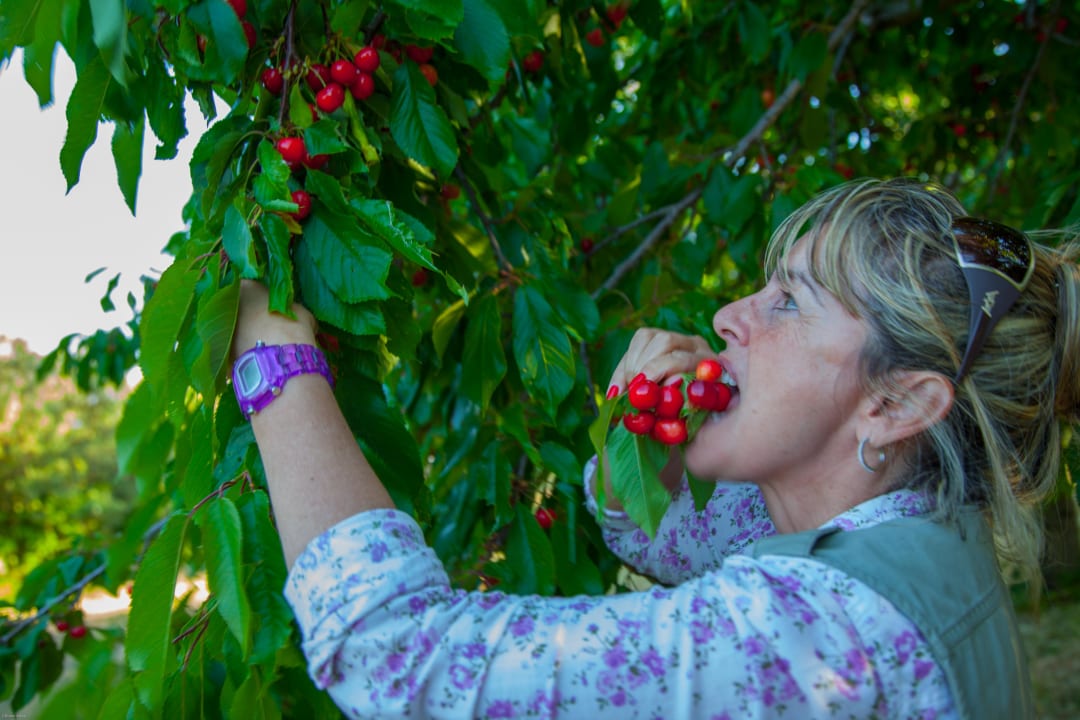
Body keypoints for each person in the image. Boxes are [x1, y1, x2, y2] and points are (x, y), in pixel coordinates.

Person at [230, 177, 1079, 719]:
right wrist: (650, 454)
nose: (728, 318)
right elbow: (657, 538)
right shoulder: (912, 530)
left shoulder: (831, 632)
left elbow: (395, 660)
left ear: (896, 404)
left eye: (789, 304)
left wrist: (274, 370)